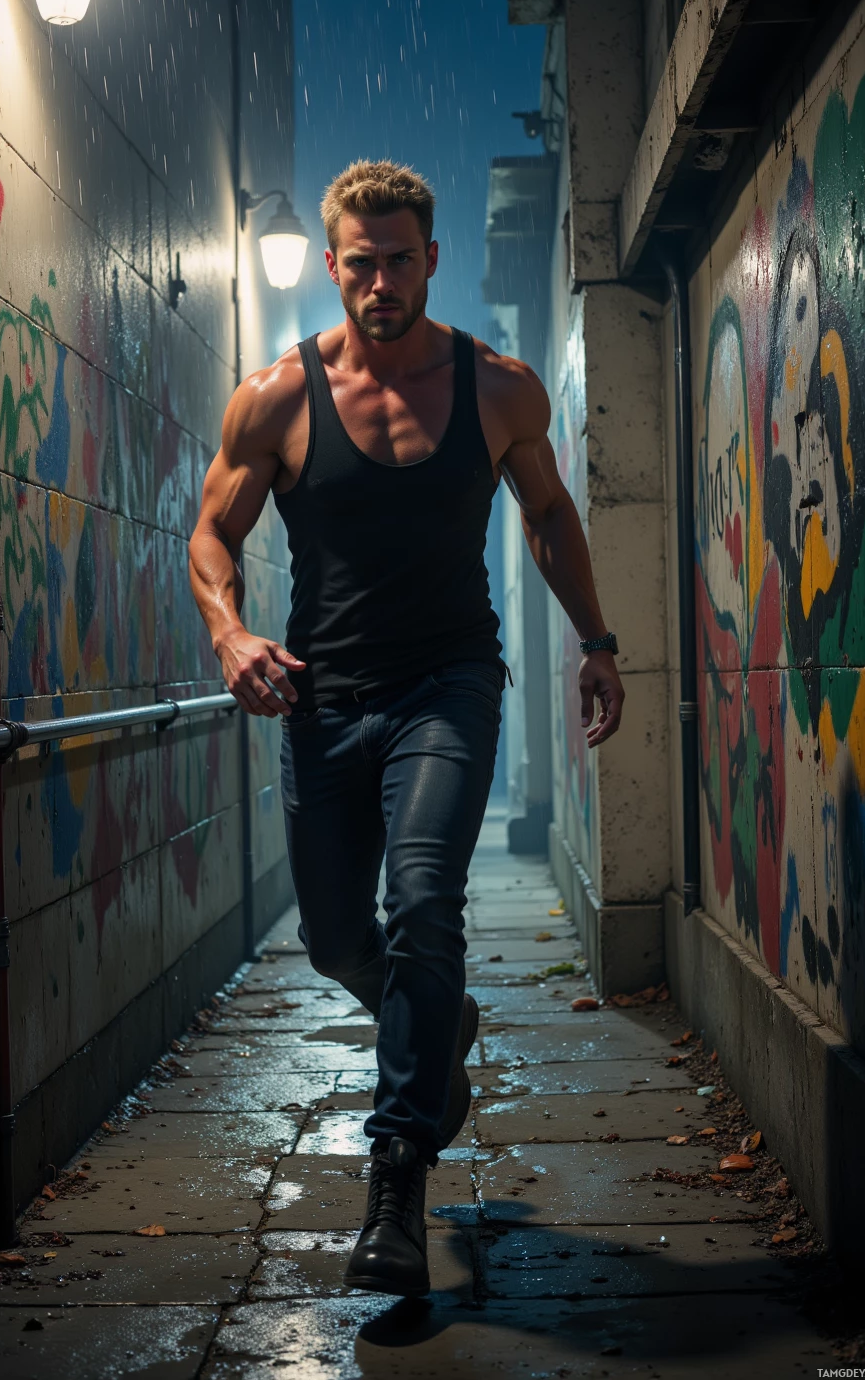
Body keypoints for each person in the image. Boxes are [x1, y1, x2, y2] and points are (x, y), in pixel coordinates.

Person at [188, 159, 624, 1297]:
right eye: (358, 262)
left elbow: (547, 515)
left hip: (448, 685)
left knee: (423, 900)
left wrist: (596, 639)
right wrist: (230, 634)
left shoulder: (498, 390)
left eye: (399, 259)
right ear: (334, 266)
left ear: (433, 260)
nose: (379, 280)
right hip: (322, 698)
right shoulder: (275, 398)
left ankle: (396, 1179)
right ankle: (441, 1025)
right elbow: (208, 537)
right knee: (339, 943)